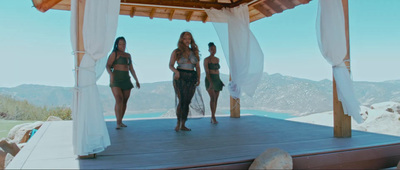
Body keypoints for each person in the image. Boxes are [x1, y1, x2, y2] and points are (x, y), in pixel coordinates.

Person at [169, 31, 201, 132]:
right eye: (185, 38)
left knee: (187, 101)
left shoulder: (194, 51)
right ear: (181, 40)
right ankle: (178, 123)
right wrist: (176, 71)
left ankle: (183, 124)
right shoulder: (176, 51)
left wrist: (199, 78)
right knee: (181, 100)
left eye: (189, 38)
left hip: (192, 77)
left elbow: (198, 67)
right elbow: (170, 65)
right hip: (180, 77)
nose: (187, 40)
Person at [106, 36, 140, 129]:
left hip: (126, 79)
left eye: (124, 44)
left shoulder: (128, 55)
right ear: (116, 45)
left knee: (124, 101)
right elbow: (108, 66)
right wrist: (111, 75)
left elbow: (131, 69)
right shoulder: (114, 54)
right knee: (119, 99)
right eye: (120, 44)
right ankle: (117, 122)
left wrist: (136, 80)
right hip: (116, 80)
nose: (122, 46)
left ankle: (120, 121)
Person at [203, 42, 224, 124]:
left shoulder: (217, 59)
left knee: (216, 99)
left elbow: (217, 71)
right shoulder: (206, 60)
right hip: (210, 79)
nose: (213, 50)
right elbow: (207, 72)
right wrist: (210, 82)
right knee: (213, 98)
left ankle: (213, 116)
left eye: (215, 49)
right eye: (211, 49)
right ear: (209, 50)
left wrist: (220, 81)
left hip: (217, 79)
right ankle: (213, 117)